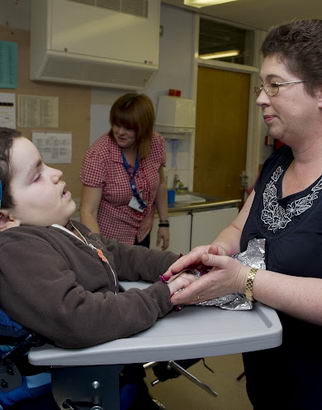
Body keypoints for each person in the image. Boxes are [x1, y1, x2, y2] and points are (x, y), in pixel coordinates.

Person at [163, 19, 322, 410]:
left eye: (275, 85)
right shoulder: (277, 164)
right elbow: (240, 226)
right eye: (260, 86)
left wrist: (242, 278)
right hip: (268, 374)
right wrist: (216, 251)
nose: (261, 99)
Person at [0, 127, 196, 410]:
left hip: (109, 376)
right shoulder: (15, 250)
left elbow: (117, 255)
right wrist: (163, 295)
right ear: (4, 218)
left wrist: (181, 263)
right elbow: (78, 317)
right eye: (36, 176)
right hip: (62, 396)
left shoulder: (64, 229)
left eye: (45, 164)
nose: (55, 173)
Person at [80, 93, 170, 250]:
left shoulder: (155, 143)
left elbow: (160, 184)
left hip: (142, 233)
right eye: (116, 124)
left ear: (143, 128)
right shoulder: (99, 155)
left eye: (128, 128)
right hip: (111, 240)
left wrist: (164, 222)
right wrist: (99, 251)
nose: (120, 132)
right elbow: (88, 212)